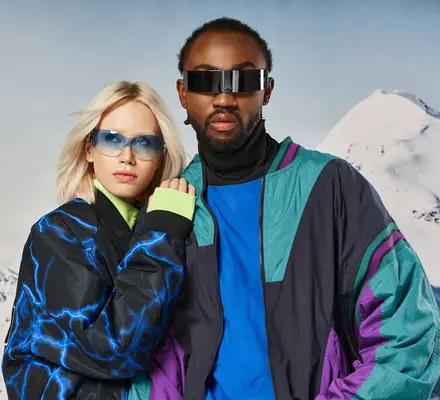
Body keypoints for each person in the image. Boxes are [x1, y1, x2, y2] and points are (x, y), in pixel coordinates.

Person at [134, 17, 440, 400]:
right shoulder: (168, 205)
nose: (225, 98)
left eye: (244, 81)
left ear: (268, 90)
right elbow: (151, 355)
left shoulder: (330, 186)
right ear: (183, 92)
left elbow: (408, 334)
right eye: (206, 81)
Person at [1, 80, 197, 399]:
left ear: (161, 156)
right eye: (112, 139)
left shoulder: (156, 225)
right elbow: (113, 350)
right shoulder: (58, 233)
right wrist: (163, 233)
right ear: (89, 148)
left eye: (144, 143)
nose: (127, 156)